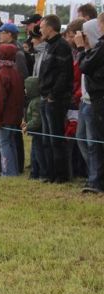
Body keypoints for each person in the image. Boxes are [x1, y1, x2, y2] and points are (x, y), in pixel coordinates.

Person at [38, 14, 74, 184]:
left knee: (56, 139)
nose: (40, 30)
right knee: (46, 139)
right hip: (45, 97)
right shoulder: (48, 46)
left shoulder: (62, 46)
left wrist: (54, 95)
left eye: (42, 27)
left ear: (50, 27)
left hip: (56, 100)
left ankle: (61, 175)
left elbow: (64, 74)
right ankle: (50, 173)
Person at [75, 13, 104, 193]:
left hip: (97, 100)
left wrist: (80, 48)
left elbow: (85, 66)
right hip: (89, 100)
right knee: (86, 140)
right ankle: (93, 176)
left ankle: (96, 180)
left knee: (95, 143)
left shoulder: (100, 48)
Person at [0, 43, 25, 177]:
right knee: (11, 142)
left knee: (4, 143)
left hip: (5, 116)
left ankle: (8, 172)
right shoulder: (15, 72)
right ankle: (14, 170)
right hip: (15, 115)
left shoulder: (2, 74)